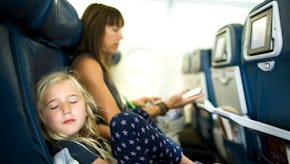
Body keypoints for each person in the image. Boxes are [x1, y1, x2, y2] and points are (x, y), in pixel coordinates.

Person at [36, 71, 225, 164]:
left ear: (86, 109)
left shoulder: (83, 138)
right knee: (122, 122)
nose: (66, 109)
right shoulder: (71, 147)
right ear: (42, 118)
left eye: (73, 101)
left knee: (131, 117)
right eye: (54, 106)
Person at [71, 3, 203, 140]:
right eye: (115, 29)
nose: (121, 36)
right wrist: (166, 105)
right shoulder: (88, 64)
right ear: (97, 30)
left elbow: (102, 109)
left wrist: (132, 103)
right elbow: (117, 121)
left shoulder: (95, 63)